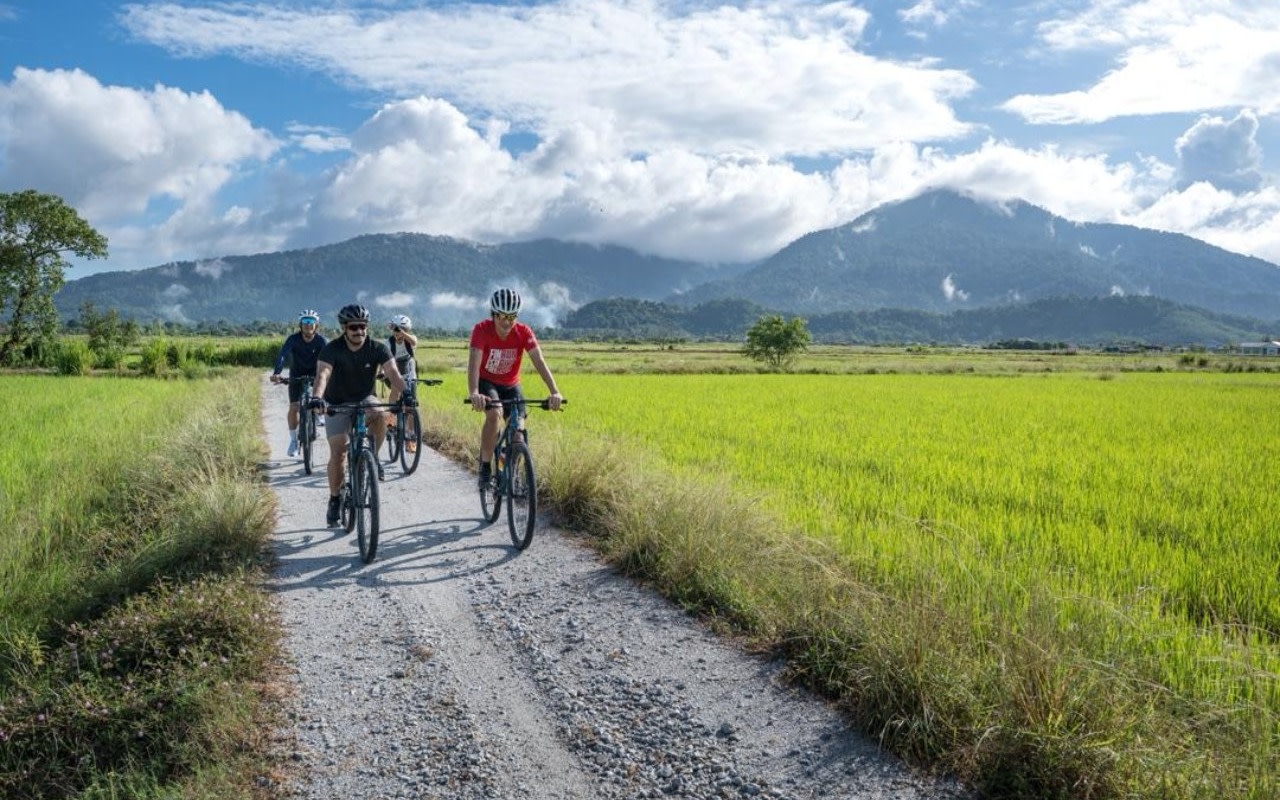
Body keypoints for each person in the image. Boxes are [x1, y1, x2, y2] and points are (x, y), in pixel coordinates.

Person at [309, 304, 413, 526]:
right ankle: (335, 499)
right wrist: (317, 397)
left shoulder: (377, 348)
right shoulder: (332, 349)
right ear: (344, 328)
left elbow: (393, 372)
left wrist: (406, 393)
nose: (359, 331)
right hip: (337, 403)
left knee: (379, 412)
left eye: (363, 326)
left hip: (365, 399)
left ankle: (373, 456)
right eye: (354, 327)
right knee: (338, 452)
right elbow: (322, 375)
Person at [467, 288, 563, 487]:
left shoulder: (523, 332)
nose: (506, 322)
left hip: (511, 385)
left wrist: (554, 391)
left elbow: (539, 361)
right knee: (494, 413)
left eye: (512, 317)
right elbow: (474, 364)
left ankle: (509, 469)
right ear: (493, 314)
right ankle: (485, 465)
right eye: (502, 316)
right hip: (488, 382)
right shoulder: (481, 330)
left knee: (518, 431)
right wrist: (474, 392)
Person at [270, 309, 329, 457]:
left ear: (316, 325)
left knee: (319, 398)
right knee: (294, 407)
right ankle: (293, 441)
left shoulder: (321, 341)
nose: (308, 325)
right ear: (300, 325)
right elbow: (282, 355)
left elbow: (329, 358)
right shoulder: (293, 339)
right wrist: (277, 372)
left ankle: (317, 413)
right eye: (305, 322)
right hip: (296, 374)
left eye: (311, 322)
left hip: (315, 375)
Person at [385, 314, 419, 453]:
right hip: (394, 372)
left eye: (401, 329)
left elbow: (414, 342)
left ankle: (410, 438)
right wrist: (382, 372)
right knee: (395, 389)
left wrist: (403, 333)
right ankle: (391, 418)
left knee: (411, 407)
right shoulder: (389, 342)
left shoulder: (410, 339)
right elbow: (384, 360)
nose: (397, 332)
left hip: (410, 374)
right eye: (395, 329)